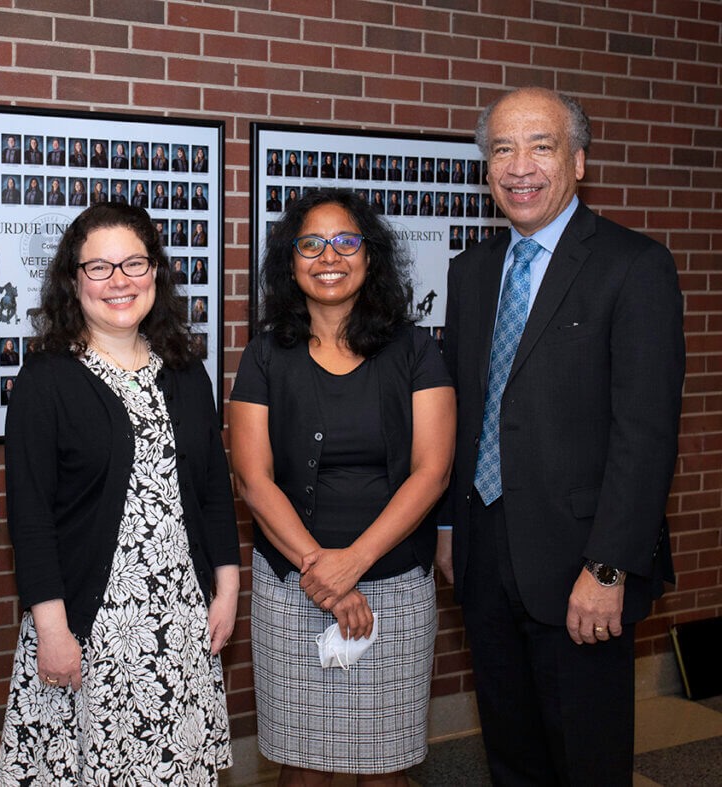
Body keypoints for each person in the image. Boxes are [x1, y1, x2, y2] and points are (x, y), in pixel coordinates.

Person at [437, 87, 684, 786]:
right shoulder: (472, 271)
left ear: (577, 159)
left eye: (540, 146)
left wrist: (610, 567)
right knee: (511, 757)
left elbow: (646, 435)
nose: (520, 166)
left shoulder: (634, 267)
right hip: (485, 561)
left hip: (584, 569)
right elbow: (468, 410)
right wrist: (453, 526)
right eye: (502, 150)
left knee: (587, 762)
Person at [0, 202, 239, 784]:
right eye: (99, 268)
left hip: (181, 620)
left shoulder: (184, 370)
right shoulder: (46, 378)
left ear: (156, 271)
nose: (120, 281)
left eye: (134, 263)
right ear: (73, 280)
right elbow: (29, 518)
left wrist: (227, 588)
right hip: (87, 625)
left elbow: (211, 490)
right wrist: (51, 630)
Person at [230, 189, 454, 784]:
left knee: (387, 764)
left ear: (370, 256)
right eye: (311, 243)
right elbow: (252, 479)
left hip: (395, 584)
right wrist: (320, 571)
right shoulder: (264, 355)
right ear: (291, 260)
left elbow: (433, 471)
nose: (329, 256)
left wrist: (353, 562)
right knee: (303, 766)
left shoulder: (417, 350)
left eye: (346, 241)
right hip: (294, 588)